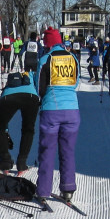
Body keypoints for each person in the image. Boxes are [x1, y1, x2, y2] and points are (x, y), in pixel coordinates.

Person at [34, 28, 80, 201]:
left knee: (47, 151)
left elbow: (40, 85)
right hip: (72, 110)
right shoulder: (73, 58)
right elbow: (75, 82)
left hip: (51, 109)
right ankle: (68, 188)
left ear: (47, 43)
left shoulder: (46, 59)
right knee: (68, 150)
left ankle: (43, 191)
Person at [0, 70, 40, 173]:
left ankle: (5, 160)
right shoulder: (32, 75)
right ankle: (22, 163)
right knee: (28, 129)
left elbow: (2, 123)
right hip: (31, 97)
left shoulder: (10, 82)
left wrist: (6, 132)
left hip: (9, 97)